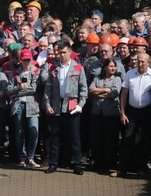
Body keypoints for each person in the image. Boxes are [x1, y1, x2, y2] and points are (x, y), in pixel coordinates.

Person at [43, 40, 88, 175]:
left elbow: (83, 89)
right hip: (57, 106)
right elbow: (47, 89)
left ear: (69, 52)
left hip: (72, 107)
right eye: (59, 52)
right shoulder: (53, 68)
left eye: (64, 52)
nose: (61, 55)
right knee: (55, 136)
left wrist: (80, 106)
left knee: (74, 137)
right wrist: (47, 105)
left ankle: (77, 164)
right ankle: (53, 164)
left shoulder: (78, 68)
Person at [114, 52, 151, 177]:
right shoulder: (130, 74)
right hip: (132, 111)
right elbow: (124, 94)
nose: (139, 64)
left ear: (148, 62)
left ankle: (140, 168)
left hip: (147, 112)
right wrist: (122, 113)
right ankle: (122, 168)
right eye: (138, 61)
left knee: (145, 141)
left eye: (142, 62)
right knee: (127, 139)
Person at [8, 49, 41, 168]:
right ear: (20, 60)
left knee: (34, 132)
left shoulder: (37, 72)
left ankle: (31, 157)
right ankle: (22, 157)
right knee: (19, 133)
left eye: (29, 60)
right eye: (24, 60)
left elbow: (34, 89)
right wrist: (18, 88)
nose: (27, 62)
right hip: (18, 105)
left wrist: (18, 92)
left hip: (32, 105)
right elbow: (9, 90)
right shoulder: (15, 73)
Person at [88, 58, 121, 174]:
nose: (113, 68)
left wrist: (100, 93)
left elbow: (114, 93)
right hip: (97, 113)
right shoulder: (97, 78)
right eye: (110, 66)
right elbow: (91, 90)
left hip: (111, 114)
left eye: (114, 66)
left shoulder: (117, 79)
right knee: (96, 139)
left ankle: (108, 163)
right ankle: (97, 163)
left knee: (109, 140)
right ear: (105, 67)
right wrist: (105, 89)